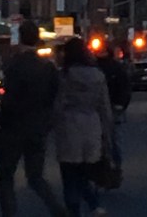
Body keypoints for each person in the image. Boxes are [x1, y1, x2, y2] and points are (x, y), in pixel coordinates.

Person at [0, 20, 67, 217]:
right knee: (36, 176)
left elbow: (9, 97)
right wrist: (47, 122)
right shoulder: (47, 68)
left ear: (20, 38)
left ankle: (9, 213)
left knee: (6, 176)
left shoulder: (13, 65)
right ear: (37, 39)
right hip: (37, 127)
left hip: (13, 128)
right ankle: (57, 210)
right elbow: (55, 96)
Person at [54, 36, 112, 217]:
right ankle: (94, 204)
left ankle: (75, 210)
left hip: (69, 127)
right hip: (92, 126)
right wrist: (107, 135)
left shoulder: (65, 76)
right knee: (85, 173)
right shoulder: (98, 76)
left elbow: (58, 104)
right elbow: (104, 107)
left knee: (70, 175)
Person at [95, 44, 131, 172]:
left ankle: (114, 165)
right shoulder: (95, 68)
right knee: (103, 138)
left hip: (112, 107)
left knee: (113, 138)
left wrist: (120, 105)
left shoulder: (115, 68)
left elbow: (125, 87)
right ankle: (104, 165)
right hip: (99, 108)